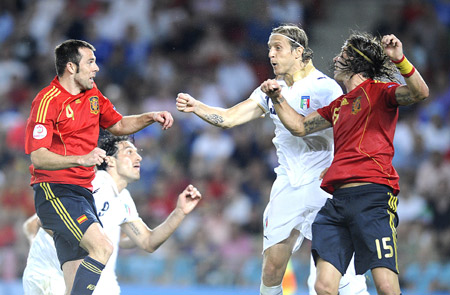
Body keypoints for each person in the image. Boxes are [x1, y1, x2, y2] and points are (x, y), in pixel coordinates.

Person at [176, 24, 368, 295]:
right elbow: (230, 118)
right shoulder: (270, 90)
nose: (271, 55)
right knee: (271, 269)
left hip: (323, 186)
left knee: (335, 277)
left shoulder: (325, 89)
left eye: (278, 48)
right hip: (287, 183)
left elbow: (349, 133)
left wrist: (338, 166)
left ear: (298, 51)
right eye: (269, 49)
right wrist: (198, 107)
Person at [260, 32, 429, 295]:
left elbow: (420, 92)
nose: (336, 58)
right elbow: (300, 127)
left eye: (343, 54)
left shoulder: (381, 92)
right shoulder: (338, 106)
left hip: (373, 197)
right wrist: (277, 97)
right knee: (324, 287)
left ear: (356, 62)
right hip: (338, 202)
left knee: (385, 286)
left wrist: (401, 61)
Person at [24, 39, 174, 295]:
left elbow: (118, 125)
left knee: (76, 285)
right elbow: (38, 156)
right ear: (71, 67)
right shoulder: (47, 101)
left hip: (82, 192)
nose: (97, 68)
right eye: (91, 62)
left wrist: (149, 117)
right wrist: (79, 159)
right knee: (103, 247)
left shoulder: (92, 95)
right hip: (55, 190)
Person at [22, 133, 202, 294]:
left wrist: (179, 212)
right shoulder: (93, 185)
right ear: (110, 160)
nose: (138, 157)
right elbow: (44, 221)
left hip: (85, 281)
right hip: (53, 277)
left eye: (137, 152)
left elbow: (148, 241)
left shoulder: (123, 198)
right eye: (129, 152)